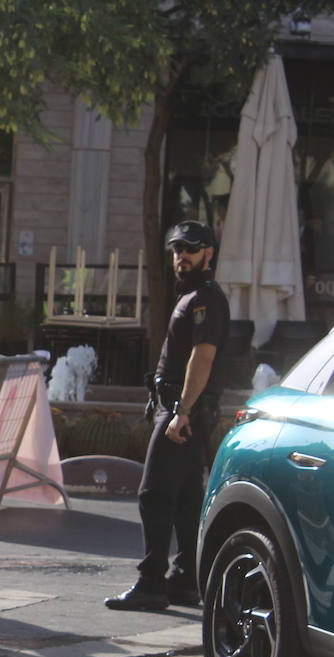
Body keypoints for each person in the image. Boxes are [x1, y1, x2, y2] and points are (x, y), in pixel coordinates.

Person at [106, 220, 229, 611]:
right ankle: (185, 580)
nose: (181, 257)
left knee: (154, 494)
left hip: (184, 411)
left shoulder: (206, 298)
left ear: (209, 252)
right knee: (187, 499)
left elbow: (203, 356)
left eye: (190, 249)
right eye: (176, 250)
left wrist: (182, 412)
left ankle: (151, 584)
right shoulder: (193, 295)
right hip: (181, 408)